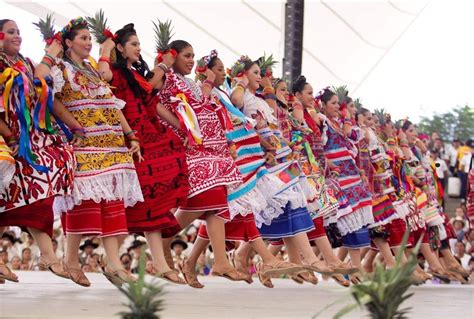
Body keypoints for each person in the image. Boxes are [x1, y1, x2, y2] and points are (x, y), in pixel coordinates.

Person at [51, 18, 143, 287]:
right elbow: (53, 101)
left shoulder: (92, 69)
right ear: (68, 43)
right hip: (85, 141)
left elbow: (111, 102)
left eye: (90, 39)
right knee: (84, 203)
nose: (88, 42)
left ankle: (113, 264)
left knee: (112, 202)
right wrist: (74, 126)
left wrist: (129, 134)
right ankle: (70, 260)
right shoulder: (60, 68)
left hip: (111, 141)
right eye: (83, 38)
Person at [98, 23, 188, 284]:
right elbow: (102, 77)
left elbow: (153, 104)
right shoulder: (113, 71)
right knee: (136, 204)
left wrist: (182, 127)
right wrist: (105, 50)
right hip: (130, 141)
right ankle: (113, 261)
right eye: (134, 44)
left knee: (154, 202)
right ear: (121, 48)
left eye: (139, 44)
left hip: (150, 137)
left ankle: (157, 263)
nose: (139, 48)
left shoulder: (135, 74)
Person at [156, 39, 246, 282]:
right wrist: (163, 65)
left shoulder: (189, 83)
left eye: (192, 55)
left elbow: (201, 104)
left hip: (210, 148)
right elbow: (151, 97)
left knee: (216, 201)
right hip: (190, 148)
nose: (190, 60)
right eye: (186, 55)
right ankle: (162, 239)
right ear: (172, 56)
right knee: (203, 199)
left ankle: (219, 262)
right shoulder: (167, 78)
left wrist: (206, 82)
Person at [0, 19, 74, 283]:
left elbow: (42, 89)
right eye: (11, 32)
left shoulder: (26, 63)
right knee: (12, 199)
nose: (17, 36)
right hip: (8, 139)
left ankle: (49, 256)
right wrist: (8, 135)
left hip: (28, 139)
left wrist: (73, 126)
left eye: (19, 32)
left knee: (35, 194)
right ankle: (48, 257)